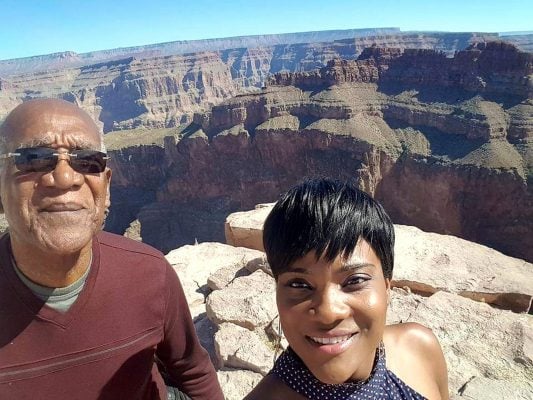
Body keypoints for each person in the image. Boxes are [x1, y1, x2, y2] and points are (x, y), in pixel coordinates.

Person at [0, 99, 224, 399]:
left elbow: (192, 371)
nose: (66, 178)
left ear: (106, 187)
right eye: (36, 158)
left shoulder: (149, 273)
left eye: (87, 161)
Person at [245, 179, 449, 400]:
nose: (328, 312)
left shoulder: (419, 349)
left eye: (354, 281)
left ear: (387, 287)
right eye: (299, 284)